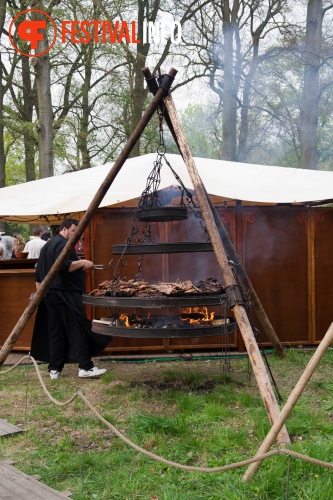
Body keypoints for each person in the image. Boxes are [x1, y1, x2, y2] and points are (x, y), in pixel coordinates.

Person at [33, 217, 110, 380]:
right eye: (74, 231)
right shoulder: (62, 244)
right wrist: (83, 262)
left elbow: (38, 274)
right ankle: (85, 367)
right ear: (65, 229)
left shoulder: (47, 245)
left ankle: (55, 369)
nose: (76, 235)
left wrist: (41, 296)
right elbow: (62, 266)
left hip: (51, 296)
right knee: (78, 330)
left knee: (56, 332)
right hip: (65, 294)